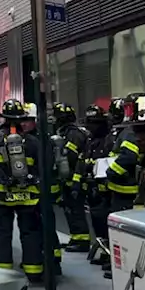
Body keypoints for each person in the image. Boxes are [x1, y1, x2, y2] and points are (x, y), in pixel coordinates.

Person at [0, 100, 61, 283]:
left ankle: (3, 272)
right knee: (30, 231)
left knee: (2, 231)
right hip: (29, 196)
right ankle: (33, 271)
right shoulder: (34, 141)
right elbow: (47, 166)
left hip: (2, 195)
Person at [51, 102, 91, 253]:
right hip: (68, 179)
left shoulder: (73, 134)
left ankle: (82, 241)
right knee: (69, 209)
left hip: (76, 179)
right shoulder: (66, 133)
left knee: (76, 210)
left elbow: (72, 158)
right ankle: (75, 237)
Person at [80, 103, 114, 269]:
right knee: (96, 221)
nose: (91, 126)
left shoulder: (109, 140)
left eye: (95, 123)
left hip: (105, 189)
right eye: (90, 123)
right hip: (91, 186)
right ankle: (103, 250)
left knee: (103, 220)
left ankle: (109, 255)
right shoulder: (90, 140)